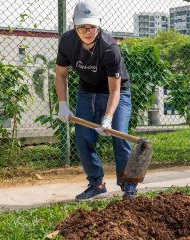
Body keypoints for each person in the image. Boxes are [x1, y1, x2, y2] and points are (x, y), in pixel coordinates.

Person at [55, 0, 137, 200]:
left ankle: (128, 188)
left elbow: (115, 89)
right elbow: (60, 74)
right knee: (83, 138)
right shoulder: (67, 42)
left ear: (98, 24)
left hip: (117, 93)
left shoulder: (109, 48)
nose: (88, 31)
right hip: (87, 92)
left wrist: (108, 118)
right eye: (83, 26)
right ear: (75, 24)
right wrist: (63, 105)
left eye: (92, 26)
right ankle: (97, 185)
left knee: (120, 135)